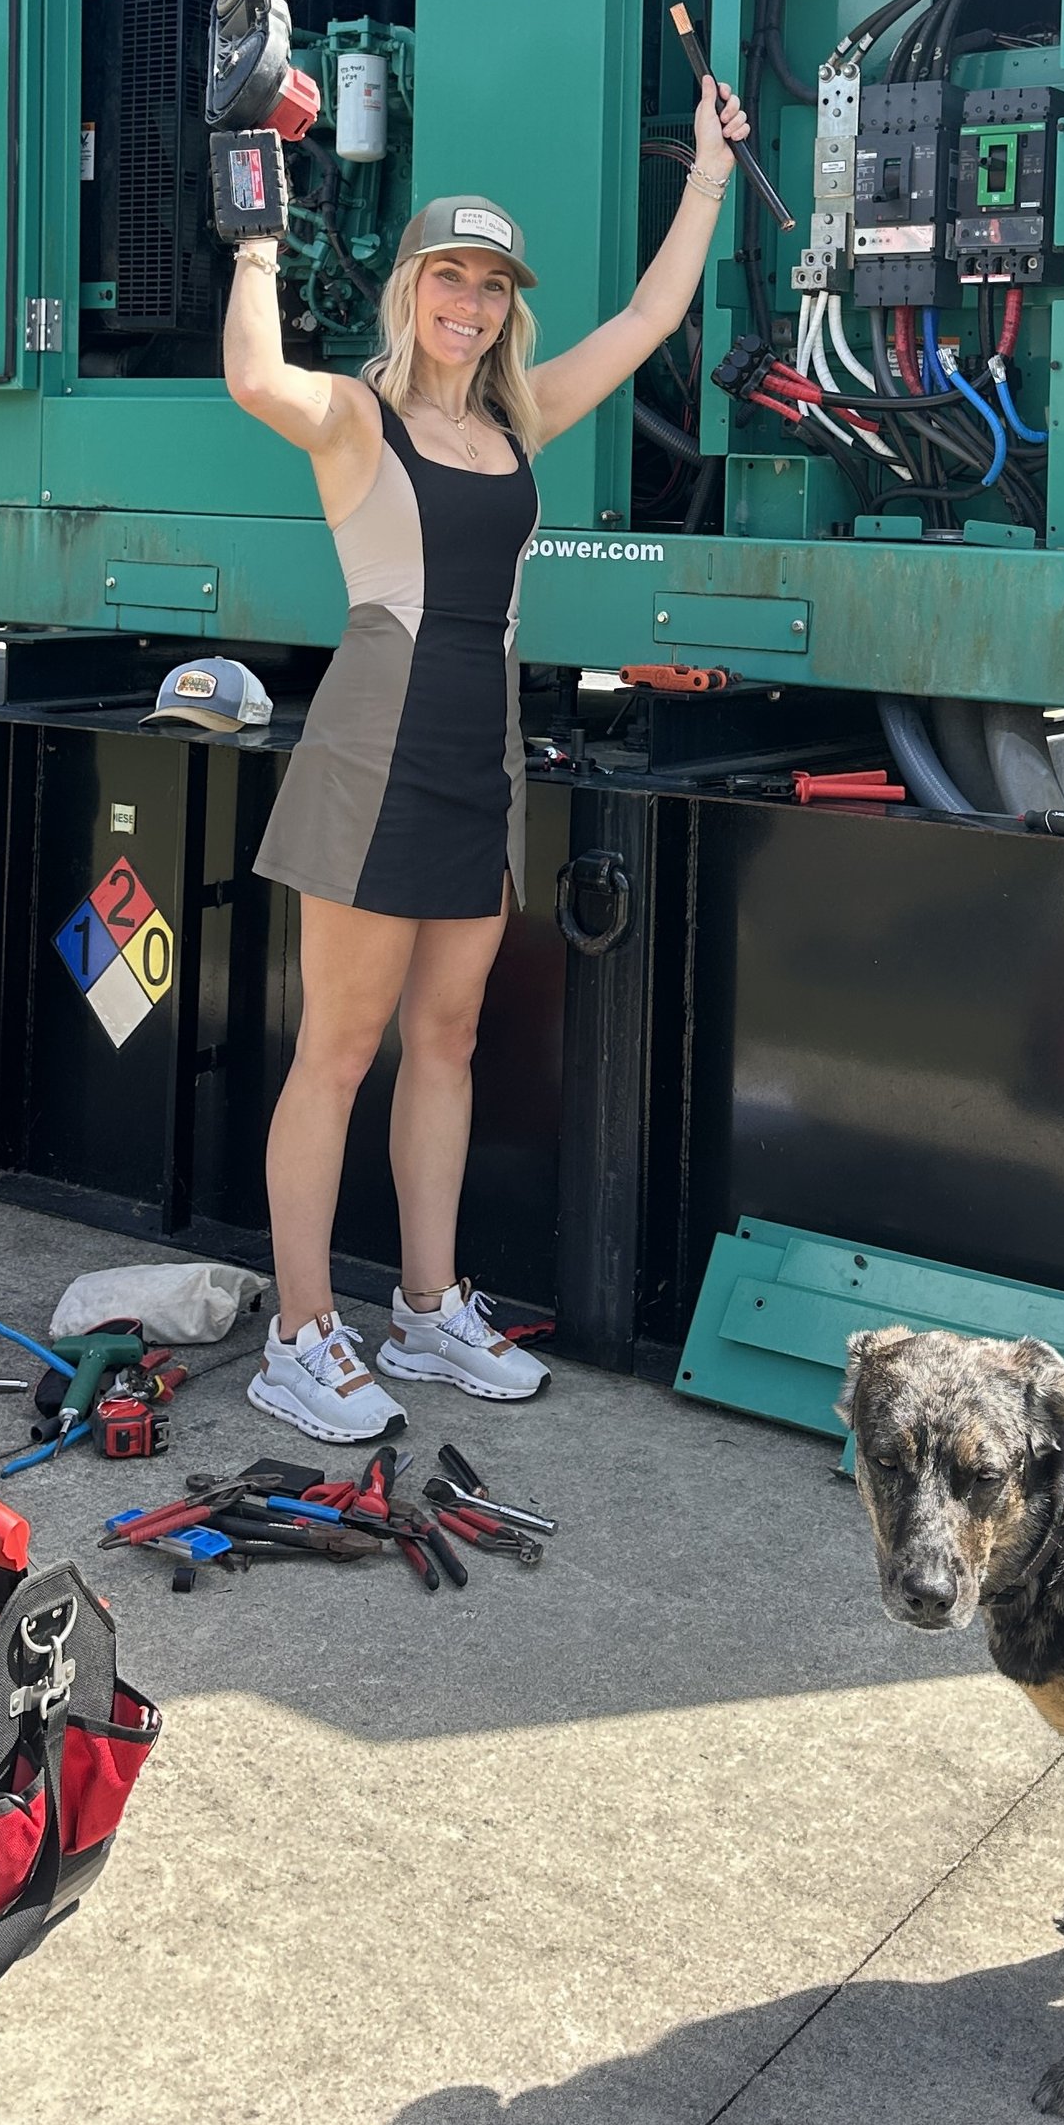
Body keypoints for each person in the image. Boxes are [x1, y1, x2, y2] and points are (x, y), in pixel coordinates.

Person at [221, 70, 752, 1441]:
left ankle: (426, 1307)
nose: (472, 303)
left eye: (494, 286)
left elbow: (648, 320)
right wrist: (257, 234)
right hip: (371, 758)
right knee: (338, 1052)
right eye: (450, 278)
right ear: (411, 289)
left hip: (481, 757)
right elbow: (252, 375)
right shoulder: (357, 416)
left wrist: (707, 168)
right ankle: (298, 1334)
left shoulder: (513, 424)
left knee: (446, 1039)